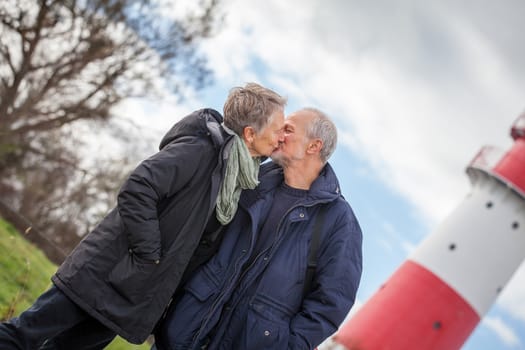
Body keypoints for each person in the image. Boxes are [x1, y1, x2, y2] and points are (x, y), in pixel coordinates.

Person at [0, 82, 287, 349]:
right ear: (250, 133)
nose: (280, 138)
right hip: (103, 274)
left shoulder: (237, 179)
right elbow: (138, 188)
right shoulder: (200, 151)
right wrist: (150, 255)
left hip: (130, 294)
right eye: (277, 130)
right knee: (21, 336)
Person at [154, 108, 363, 350]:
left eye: (288, 129)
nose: (278, 134)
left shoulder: (340, 221)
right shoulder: (252, 181)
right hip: (181, 334)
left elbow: (330, 303)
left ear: (313, 146)